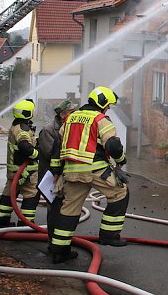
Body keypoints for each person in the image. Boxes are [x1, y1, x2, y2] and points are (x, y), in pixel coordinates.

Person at [49, 86, 129, 264]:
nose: (108, 109)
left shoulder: (70, 119)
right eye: (108, 105)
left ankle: (59, 252)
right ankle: (109, 235)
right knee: (120, 193)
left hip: (70, 172)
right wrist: (121, 161)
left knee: (69, 209)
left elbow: (57, 147)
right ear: (103, 104)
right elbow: (114, 146)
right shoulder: (101, 119)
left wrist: (56, 171)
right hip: (94, 169)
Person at [37, 99, 78, 247]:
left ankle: (62, 243)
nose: (76, 114)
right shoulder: (49, 131)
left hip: (65, 176)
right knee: (54, 210)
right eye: (72, 112)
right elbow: (51, 154)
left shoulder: (70, 127)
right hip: (51, 178)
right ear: (62, 114)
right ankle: (53, 243)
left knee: (65, 210)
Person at [0, 99, 40, 228]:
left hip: (14, 171)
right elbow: (25, 146)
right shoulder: (22, 130)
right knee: (31, 195)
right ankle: (26, 224)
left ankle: (2, 221)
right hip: (26, 172)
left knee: (9, 194)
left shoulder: (15, 126)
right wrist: (37, 153)